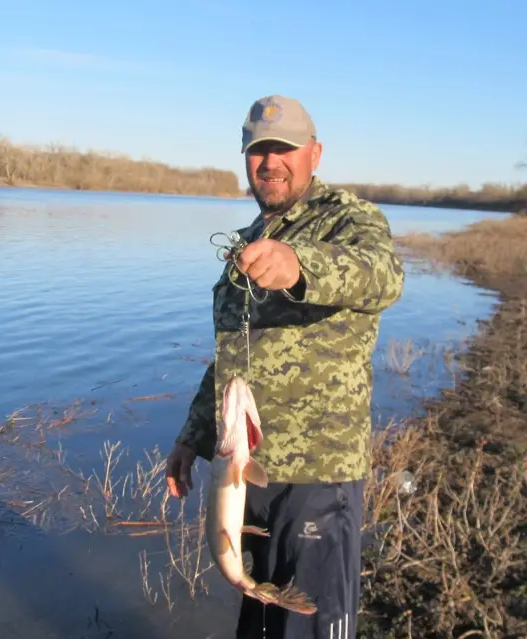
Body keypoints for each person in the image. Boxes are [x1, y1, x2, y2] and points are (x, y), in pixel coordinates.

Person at [164, 95, 405, 639]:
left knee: (311, 628)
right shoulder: (248, 240)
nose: (270, 162)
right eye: (257, 151)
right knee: (263, 619)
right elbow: (234, 354)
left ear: (314, 154)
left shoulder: (348, 219)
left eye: (284, 149)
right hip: (248, 471)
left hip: (318, 475)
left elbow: (382, 276)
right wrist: (193, 435)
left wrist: (300, 265)